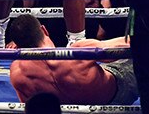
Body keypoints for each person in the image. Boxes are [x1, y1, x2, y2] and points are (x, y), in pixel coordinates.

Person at [8, 14, 138, 105]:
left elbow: (30, 107)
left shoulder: (17, 72)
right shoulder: (77, 51)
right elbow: (127, 46)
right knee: (144, 55)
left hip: (68, 107)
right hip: (118, 93)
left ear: (18, 45)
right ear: (44, 30)